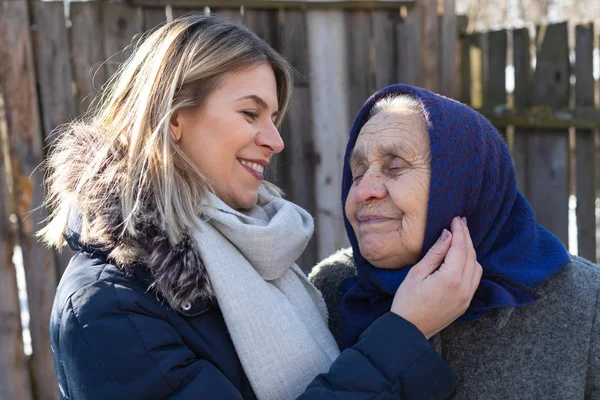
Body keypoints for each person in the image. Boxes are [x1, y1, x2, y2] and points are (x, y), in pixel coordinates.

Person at [39, 16, 481, 400]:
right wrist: (404, 334)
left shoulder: (252, 256)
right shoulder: (107, 307)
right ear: (173, 118)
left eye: (273, 118)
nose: (276, 140)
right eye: (251, 114)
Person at [309, 84, 600, 399]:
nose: (364, 191)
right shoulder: (327, 289)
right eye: (357, 172)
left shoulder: (584, 301)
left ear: (464, 184)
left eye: (395, 168)